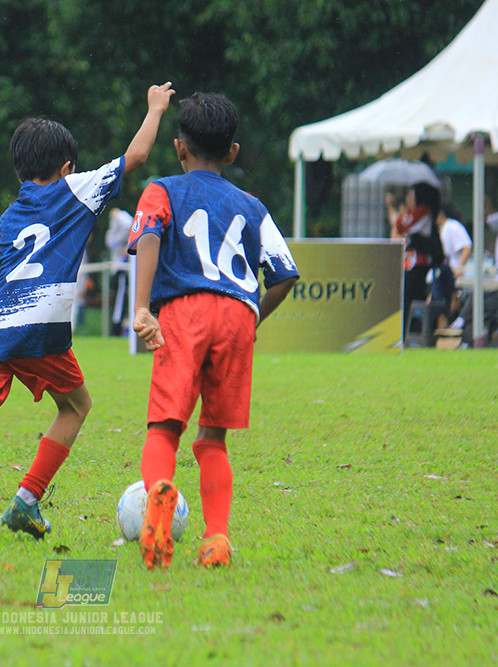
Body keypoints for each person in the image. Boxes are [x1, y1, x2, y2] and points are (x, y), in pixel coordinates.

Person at [0, 82, 176, 547]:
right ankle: (26, 500)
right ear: (67, 166)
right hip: (39, 326)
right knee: (77, 406)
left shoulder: (7, 219)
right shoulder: (76, 189)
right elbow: (136, 157)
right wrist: (154, 109)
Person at [127, 93, 299, 569]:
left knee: (165, 427)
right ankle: (216, 540)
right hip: (239, 313)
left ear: (180, 148)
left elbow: (149, 236)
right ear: (233, 152)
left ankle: (159, 512)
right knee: (213, 437)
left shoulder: (161, 190)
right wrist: (253, 319)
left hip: (185, 311)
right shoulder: (252, 205)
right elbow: (284, 274)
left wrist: (143, 308)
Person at [386, 182, 444, 327]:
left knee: (410, 300)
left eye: (410, 196)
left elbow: (401, 225)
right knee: (410, 300)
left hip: (418, 264)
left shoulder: (422, 211)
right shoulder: (419, 213)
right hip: (412, 264)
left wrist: (400, 213)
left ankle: (411, 331)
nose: (408, 199)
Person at [430, 204, 472, 318]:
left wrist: (460, 267)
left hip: (454, 273)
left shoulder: (452, 226)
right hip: (445, 273)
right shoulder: (440, 229)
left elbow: (467, 246)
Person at [105, 208, 134, 335]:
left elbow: (129, 225)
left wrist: (128, 244)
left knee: (120, 298)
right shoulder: (114, 228)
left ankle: (117, 327)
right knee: (118, 297)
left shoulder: (122, 219)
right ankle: (117, 326)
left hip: (122, 267)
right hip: (117, 266)